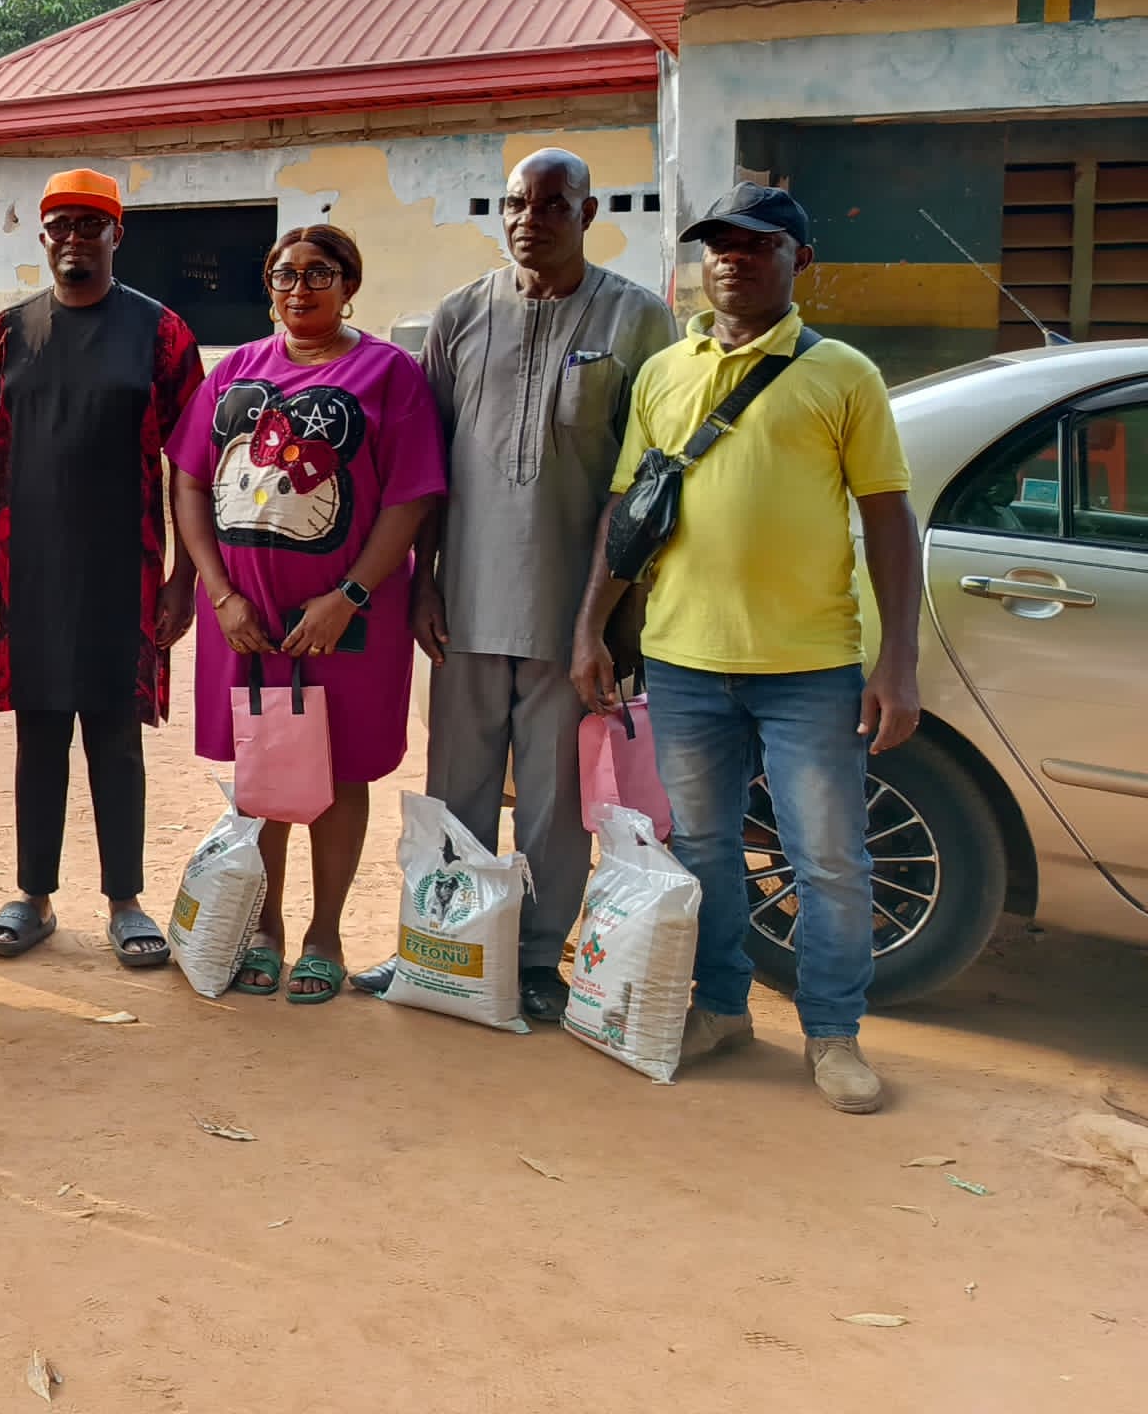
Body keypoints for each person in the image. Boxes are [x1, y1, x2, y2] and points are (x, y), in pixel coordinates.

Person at [571, 184, 920, 1114]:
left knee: (829, 859)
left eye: (757, 244)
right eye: (718, 244)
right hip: (684, 663)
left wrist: (897, 664)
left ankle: (834, 1034)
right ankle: (722, 1008)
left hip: (809, 668)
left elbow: (888, 519)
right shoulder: (664, 373)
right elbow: (629, 513)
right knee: (707, 851)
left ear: (799, 261)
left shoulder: (842, 373)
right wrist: (591, 631)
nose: (732, 257)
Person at [378, 150, 678, 1022]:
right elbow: (426, 464)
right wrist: (423, 580)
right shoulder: (462, 313)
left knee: (553, 800)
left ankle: (540, 959)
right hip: (466, 599)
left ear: (587, 215)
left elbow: (650, 485)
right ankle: (448, 948)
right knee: (456, 787)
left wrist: (617, 617)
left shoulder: (636, 319)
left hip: (570, 612)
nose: (530, 219)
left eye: (553, 204)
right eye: (516, 203)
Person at [169, 225, 446, 1003]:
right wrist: (219, 593)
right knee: (263, 770)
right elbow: (190, 481)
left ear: (350, 284)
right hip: (246, 619)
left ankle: (324, 934)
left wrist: (349, 594)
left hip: (349, 620)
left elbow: (411, 495)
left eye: (318, 274)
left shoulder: (388, 374)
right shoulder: (237, 372)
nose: (299, 288)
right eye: (284, 274)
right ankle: (267, 929)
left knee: (341, 766)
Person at [0, 169, 203, 967]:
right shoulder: (6, 335)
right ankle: (33, 895)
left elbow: (190, 464)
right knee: (38, 734)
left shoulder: (162, 336)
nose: (73, 239)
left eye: (89, 225)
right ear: (43, 237)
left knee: (115, 733)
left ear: (115, 236)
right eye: (59, 225)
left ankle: (126, 899)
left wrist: (183, 580)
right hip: (25, 568)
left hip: (123, 568)